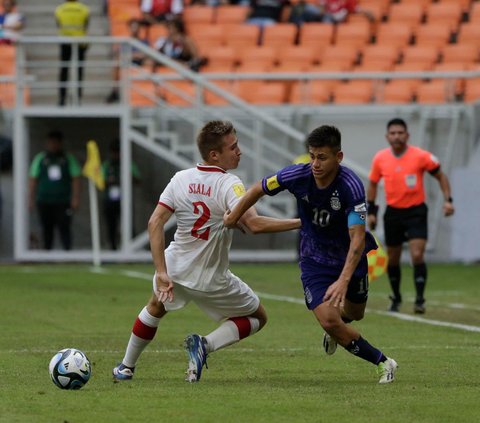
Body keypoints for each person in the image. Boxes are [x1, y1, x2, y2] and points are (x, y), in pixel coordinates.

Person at [112, 120, 300, 383]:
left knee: (155, 307)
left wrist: (161, 271)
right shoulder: (230, 184)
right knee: (258, 317)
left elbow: (155, 222)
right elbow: (254, 225)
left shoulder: (180, 179)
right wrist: (303, 223)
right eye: (233, 147)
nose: (239, 151)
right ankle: (206, 345)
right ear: (214, 155)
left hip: (175, 268)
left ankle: (125, 367)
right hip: (210, 278)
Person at [224, 125, 398, 384]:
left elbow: (358, 238)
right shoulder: (296, 175)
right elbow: (257, 189)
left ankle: (339, 331)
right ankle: (384, 362)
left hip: (348, 257)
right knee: (329, 320)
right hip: (314, 259)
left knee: (355, 314)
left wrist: (343, 280)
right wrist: (233, 218)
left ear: (338, 157)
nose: (315, 163)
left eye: (322, 157)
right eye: (312, 156)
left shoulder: (351, 188)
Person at [367, 118, 455, 314]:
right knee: (394, 258)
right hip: (393, 213)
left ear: (407, 135)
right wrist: (372, 212)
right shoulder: (380, 158)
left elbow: (441, 175)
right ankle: (396, 297)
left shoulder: (421, 156)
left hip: (416, 211)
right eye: (393, 133)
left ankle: (420, 299)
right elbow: (373, 184)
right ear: (387, 136)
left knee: (417, 255)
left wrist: (448, 200)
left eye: (400, 133)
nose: (397, 136)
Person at [28, 130, 81, 250]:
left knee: (64, 228)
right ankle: (47, 254)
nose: (53, 145)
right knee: (46, 229)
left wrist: (75, 198)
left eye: (56, 142)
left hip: (63, 201)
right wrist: (30, 199)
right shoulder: (40, 158)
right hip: (44, 200)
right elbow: (32, 179)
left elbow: (76, 178)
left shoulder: (67, 159)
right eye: (51, 142)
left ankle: (68, 253)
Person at [101, 139, 141, 250]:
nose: (116, 155)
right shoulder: (107, 165)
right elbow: (100, 182)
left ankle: (131, 248)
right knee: (111, 225)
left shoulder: (128, 164)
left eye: (118, 152)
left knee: (128, 224)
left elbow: (138, 180)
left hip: (125, 199)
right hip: (109, 199)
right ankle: (113, 248)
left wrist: (126, 177)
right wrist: (112, 181)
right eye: (114, 152)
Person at [54, 0, 90, 106]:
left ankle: (62, 99)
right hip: (80, 42)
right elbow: (86, 25)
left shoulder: (59, 9)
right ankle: (78, 99)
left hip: (65, 42)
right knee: (79, 71)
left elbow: (58, 24)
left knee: (64, 70)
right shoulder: (84, 9)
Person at [105, 19, 150, 103]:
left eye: (136, 27)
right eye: (132, 27)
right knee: (117, 63)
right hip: (128, 63)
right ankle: (115, 91)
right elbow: (120, 55)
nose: (134, 29)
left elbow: (144, 55)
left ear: (139, 28)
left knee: (149, 62)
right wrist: (134, 55)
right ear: (129, 28)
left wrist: (131, 55)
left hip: (141, 63)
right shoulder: (125, 42)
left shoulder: (144, 42)